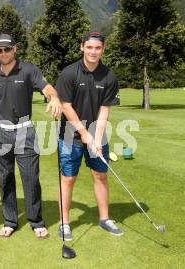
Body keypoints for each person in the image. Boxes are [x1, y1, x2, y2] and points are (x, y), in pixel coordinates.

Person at [0, 34, 61, 238]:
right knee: (5, 178)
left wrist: (53, 97)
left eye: (7, 49)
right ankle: (10, 220)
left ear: (14, 49)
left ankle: (36, 221)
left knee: (30, 178)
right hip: (0, 133)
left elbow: (47, 87)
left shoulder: (28, 70)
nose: (3, 53)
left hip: (24, 131)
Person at [55, 31, 121, 241]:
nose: (93, 52)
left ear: (103, 49)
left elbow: (104, 110)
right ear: (82, 47)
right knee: (68, 178)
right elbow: (65, 106)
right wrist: (84, 133)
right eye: (89, 47)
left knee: (100, 175)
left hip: (96, 133)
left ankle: (104, 219)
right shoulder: (69, 73)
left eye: (98, 48)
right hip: (70, 135)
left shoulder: (109, 76)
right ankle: (64, 223)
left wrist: (97, 137)